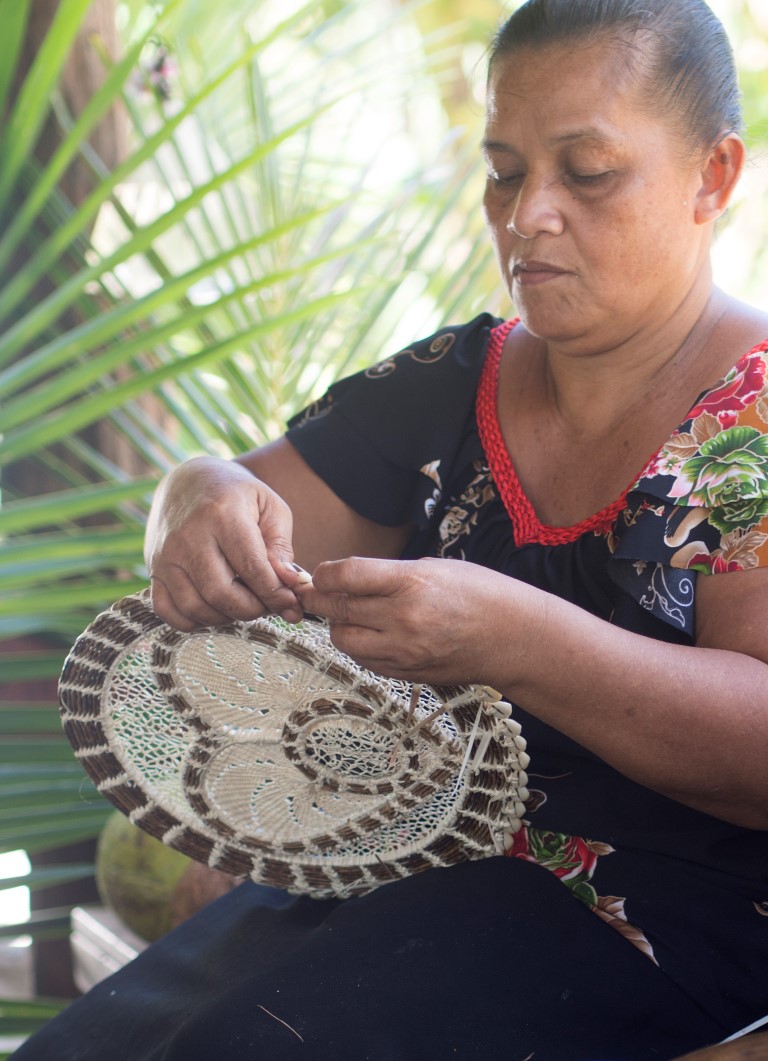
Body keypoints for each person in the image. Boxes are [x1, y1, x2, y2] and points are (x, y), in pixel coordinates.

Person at [15, 1, 768, 1058]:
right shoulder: (453, 378)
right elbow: (242, 493)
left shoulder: (753, 425)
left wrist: (514, 637)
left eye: (588, 172)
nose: (529, 214)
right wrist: (190, 496)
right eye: (504, 169)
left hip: (651, 920)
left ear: (714, 177)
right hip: (400, 865)